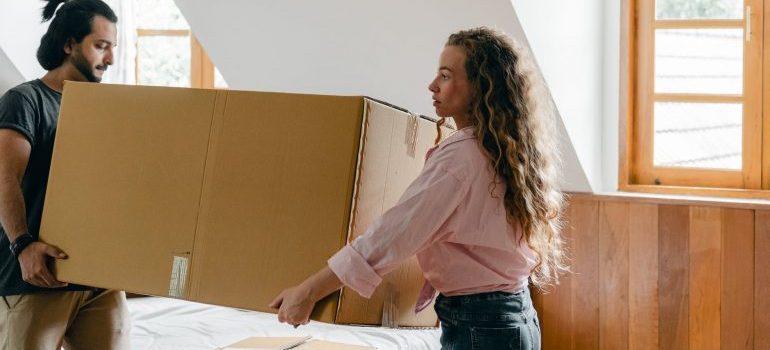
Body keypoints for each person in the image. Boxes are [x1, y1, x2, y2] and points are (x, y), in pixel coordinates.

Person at [270, 27, 567, 349]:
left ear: (481, 87)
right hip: (514, 316)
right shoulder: (503, 150)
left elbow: (394, 233)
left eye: (446, 76)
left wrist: (309, 291)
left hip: (483, 325)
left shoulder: (462, 157)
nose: (432, 86)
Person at [0, 0, 130, 348]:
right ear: (69, 44)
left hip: (100, 281)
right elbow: (4, 178)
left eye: (113, 48)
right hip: (38, 278)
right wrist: (23, 245)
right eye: (101, 46)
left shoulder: (107, 110)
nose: (111, 59)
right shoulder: (26, 100)